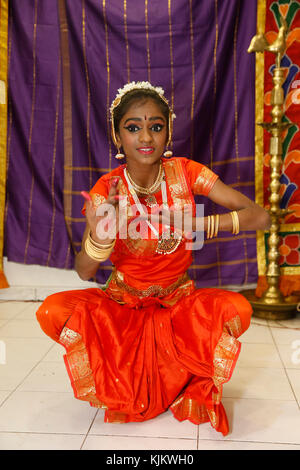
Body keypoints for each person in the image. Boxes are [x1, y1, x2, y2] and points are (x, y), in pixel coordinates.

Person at [36, 81, 270, 436]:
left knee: (238, 309)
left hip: (179, 304)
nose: (146, 137)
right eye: (133, 127)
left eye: (156, 126)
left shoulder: (188, 173)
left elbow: (260, 217)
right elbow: (84, 272)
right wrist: (102, 234)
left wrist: (196, 223)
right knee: (53, 311)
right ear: (117, 137)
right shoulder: (106, 191)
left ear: (167, 132)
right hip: (123, 308)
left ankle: (182, 377)